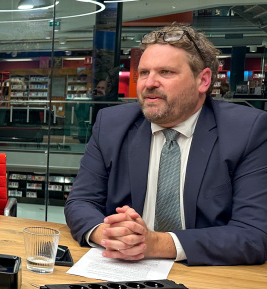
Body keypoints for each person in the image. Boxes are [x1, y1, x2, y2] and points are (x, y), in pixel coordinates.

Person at [65, 25, 267, 266]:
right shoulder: (111, 124)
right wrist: (109, 234)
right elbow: (81, 202)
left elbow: (253, 234)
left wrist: (156, 244)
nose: (149, 83)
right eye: (144, 72)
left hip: (206, 273)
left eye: (166, 72)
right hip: (122, 267)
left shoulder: (247, 131)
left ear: (203, 80)